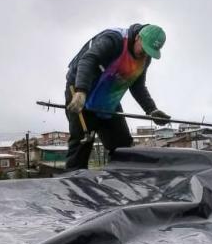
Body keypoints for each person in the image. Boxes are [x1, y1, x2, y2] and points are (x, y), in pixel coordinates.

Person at [64, 23, 170, 170]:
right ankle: (74, 186)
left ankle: (121, 186)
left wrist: (151, 109)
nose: (145, 54)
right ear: (138, 37)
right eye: (144, 49)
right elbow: (88, 60)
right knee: (82, 144)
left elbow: (137, 85)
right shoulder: (114, 40)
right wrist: (80, 91)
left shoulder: (145, 58)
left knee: (123, 146)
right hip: (81, 91)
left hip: (108, 98)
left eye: (150, 52)